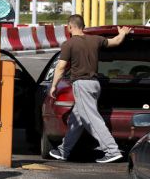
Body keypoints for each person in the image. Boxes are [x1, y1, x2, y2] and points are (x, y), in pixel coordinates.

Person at [49, 14, 131, 163]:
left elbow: (60, 67)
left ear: (70, 27)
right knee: (77, 118)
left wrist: (54, 85)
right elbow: (115, 42)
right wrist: (123, 33)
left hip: (82, 84)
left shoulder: (69, 44)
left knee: (91, 118)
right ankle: (63, 151)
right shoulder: (95, 39)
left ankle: (112, 150)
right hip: (94, 84)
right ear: (84, 27)